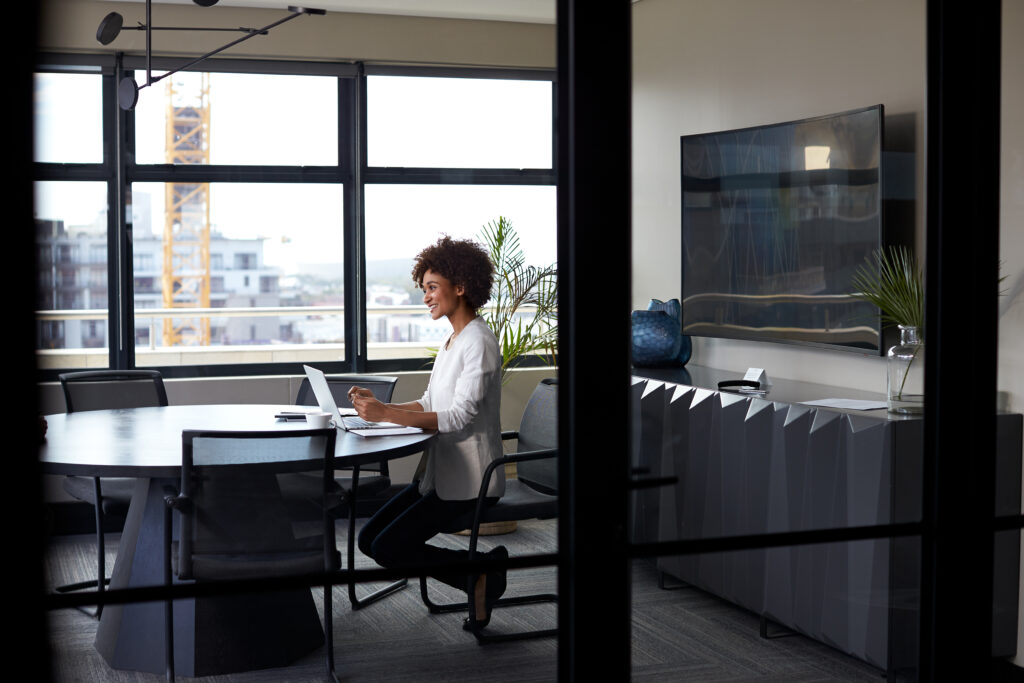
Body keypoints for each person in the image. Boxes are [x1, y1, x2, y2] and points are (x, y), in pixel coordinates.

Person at [349, 235, 506, 630]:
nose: (426, 297)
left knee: (387, 547)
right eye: (424, 289)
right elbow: (427, 401)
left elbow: (456, 418)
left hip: (473, 480)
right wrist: (377, 412)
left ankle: (481, 573)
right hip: (441, 474)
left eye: (432, 288)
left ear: (460, 286)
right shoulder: (454, 339)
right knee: (370, 540)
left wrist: (386, 412)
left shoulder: (479, 343)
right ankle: (479, 572)